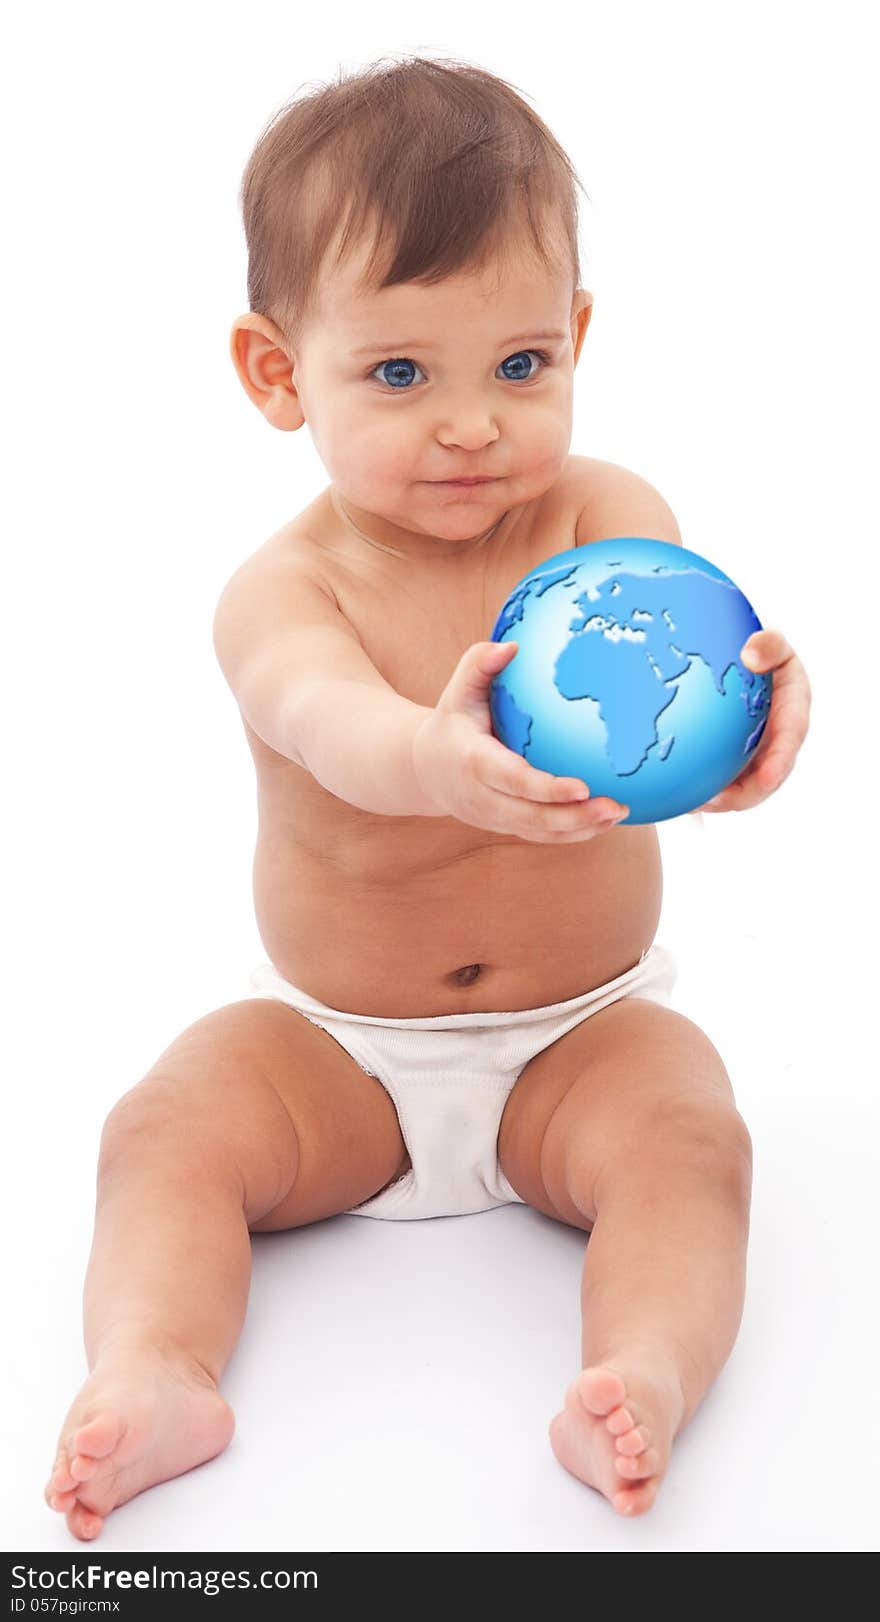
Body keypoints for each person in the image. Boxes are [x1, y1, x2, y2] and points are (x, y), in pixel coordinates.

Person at [45, 55, 811, 1540]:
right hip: (336, 1050)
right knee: (164, 1129)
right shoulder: (283, 590)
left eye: (520, 366)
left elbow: (686, 660)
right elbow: (328, 724)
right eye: (401, 373)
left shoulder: (606, 517)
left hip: (579, 1035)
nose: (472, 425)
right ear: (280, 374)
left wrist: (759, 727)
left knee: (694, 1136)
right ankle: (155, 1365)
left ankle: (638, 1370)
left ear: (578, 339)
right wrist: (434, 757)